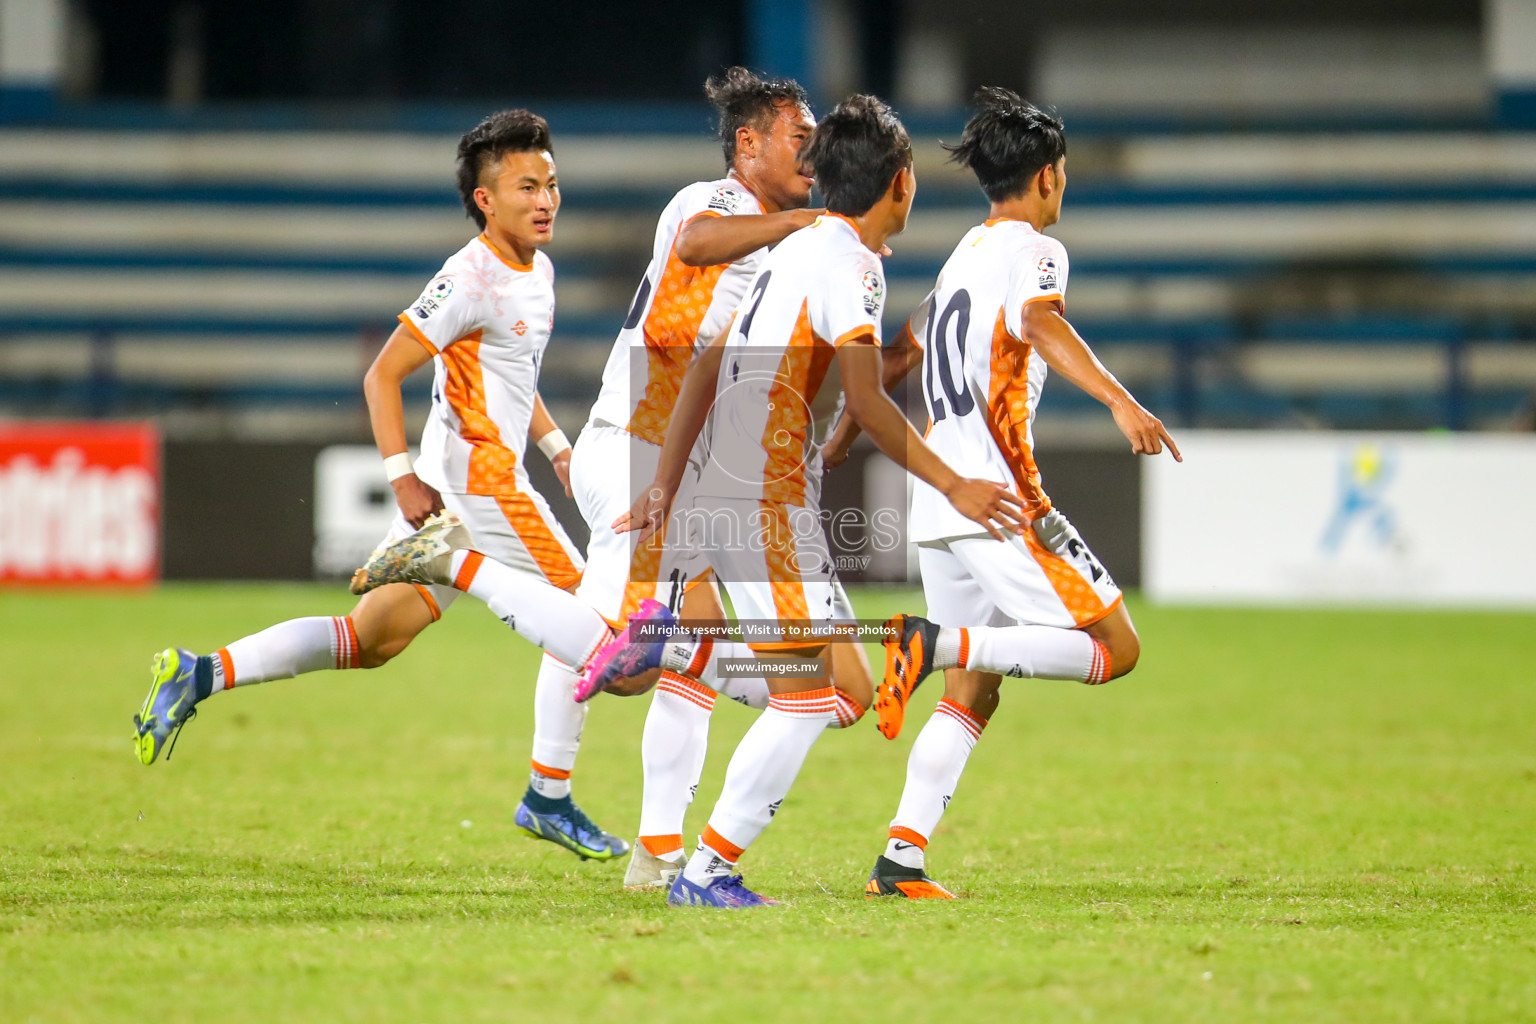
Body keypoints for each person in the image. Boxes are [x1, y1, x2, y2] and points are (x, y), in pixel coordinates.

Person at [132, 109, 630, 862]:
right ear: (485, 199)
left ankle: (201, 673)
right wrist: (401, 479)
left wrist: (557, 446)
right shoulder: (470, 277)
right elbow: (383, 374)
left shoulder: (539, 268)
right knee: (600, 640)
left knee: (372, 640)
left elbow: (511, 379)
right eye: (527, 186)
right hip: (483, 491)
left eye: (553, 184)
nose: (546, 199)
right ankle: (547, 795)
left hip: (465, 486)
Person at [586, 95, 1028, 908]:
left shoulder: (800, 245)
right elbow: (862, 397)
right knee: (809, 696)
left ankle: (685, 649)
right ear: (902, 184)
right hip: (762, 499)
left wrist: (666, 483)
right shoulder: (849, 262)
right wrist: (953, 480)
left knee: (850, 691)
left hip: (745, 487)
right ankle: (709, 870)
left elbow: (712, 363)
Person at [862, 88, 1181, 900]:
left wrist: (839, 431)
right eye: (1062, 173)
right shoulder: (1036, 250)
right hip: (1001, 499)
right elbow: (1040, 323)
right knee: (1116, 649)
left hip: (940, 497)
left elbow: (903, 347)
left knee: (978, 692)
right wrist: (1121, 399)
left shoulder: (964, 252)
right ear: (1046, 177)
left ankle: (901, 858)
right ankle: (935, 645)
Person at [567, 67, 876, 890]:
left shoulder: (793, 250)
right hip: (635, 443)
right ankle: (471, 569)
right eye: (796, 139)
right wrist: (819, 218)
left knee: (799, 684)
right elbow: (696, 244)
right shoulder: (721, 205)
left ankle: (657, 852)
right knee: (629, 658)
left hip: (700, 471)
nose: (811, 157)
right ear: (748, 144)